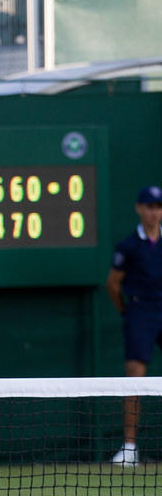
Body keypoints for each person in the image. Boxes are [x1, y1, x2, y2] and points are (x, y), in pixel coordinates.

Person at [106, 184, 162, 467]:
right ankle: (129, 448)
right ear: (140, 208)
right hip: (140, 312)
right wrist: (129, 313)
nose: (155, 212)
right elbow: (113, 285)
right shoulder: (128, 246)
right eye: (150, 207)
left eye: (159, 207)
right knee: (135, 379)